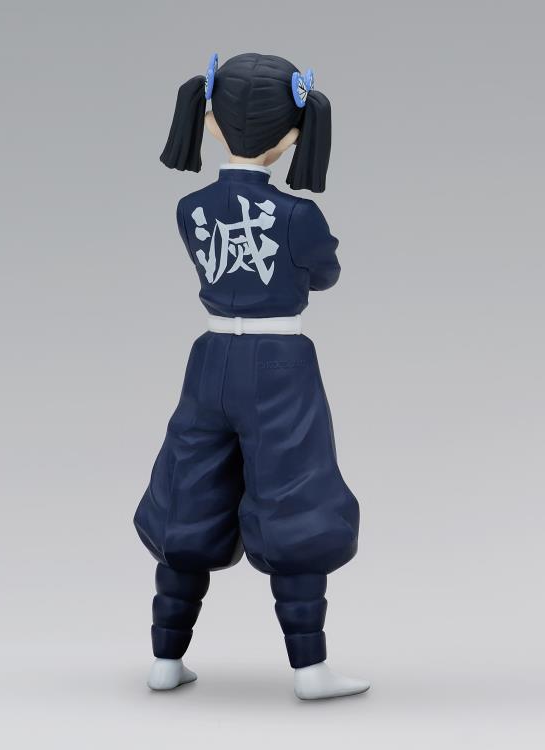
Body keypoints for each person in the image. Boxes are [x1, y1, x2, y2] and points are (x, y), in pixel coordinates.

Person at [133, 52, 369, 700]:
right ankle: (310, 668)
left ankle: (165, 658)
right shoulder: (297, 216)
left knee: (189, 491)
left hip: (210, 357)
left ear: (209, 121)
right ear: (294, 133)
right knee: (295, 496)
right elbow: (324, 275)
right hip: (279, 362)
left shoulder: (190, 207)